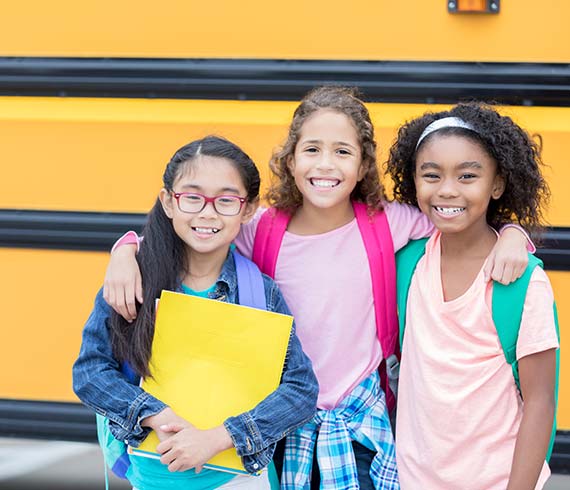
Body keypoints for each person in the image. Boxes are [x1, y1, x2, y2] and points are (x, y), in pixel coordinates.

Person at [103, 87, 532, 489]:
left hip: (361, 424)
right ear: (290, 161)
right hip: (278, 421)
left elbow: (458, 217)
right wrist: (125, 251)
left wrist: (511, 232)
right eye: (311, 150)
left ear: (363, 165)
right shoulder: (261, 230)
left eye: (342, 152)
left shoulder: (388, 223)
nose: (325, 165)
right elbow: (196, 229)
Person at [72, 136, 319, 490]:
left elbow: (300, 389)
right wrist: (152, 413)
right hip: (150, 480)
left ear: (248, 209)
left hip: (242, 481)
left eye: (226, 200)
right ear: (168, 202)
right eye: (192, 196)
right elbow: (90, 372)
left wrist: (219, 438)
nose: (207, 212)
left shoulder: (259, 292)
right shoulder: (134, 282)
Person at [387, 103, 559, 489]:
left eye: (467, 176)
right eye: (431, 175)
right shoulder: (407, 262)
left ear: (497, 184)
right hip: (411, 479)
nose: (447, 189)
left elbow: (540, 403)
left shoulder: (522, 282)